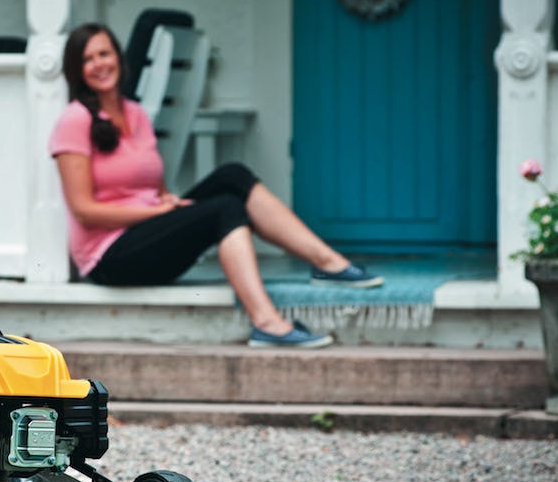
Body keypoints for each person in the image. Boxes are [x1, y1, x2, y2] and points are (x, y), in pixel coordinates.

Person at [48, 22, 383, 349]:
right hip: (110, 257)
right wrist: (156, 214)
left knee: (232, 176)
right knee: (225, 208)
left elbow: (153, 186)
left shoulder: (135, 113)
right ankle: (267, 323)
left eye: (104, 54)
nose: (99, 65)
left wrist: (168, 203)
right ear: (76, 71)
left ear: (119, 57)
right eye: (87, 59)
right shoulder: (75, 120)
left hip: (147, 234)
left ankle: (328, 263)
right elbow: (84, 210)